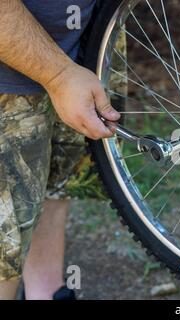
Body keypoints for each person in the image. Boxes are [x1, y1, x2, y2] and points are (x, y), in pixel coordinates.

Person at [0, 0, 120, 300]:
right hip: (11, 66)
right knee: (4, 242)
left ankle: (46, 291)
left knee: (54, 183)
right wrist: (59, 76)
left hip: (86, 42)